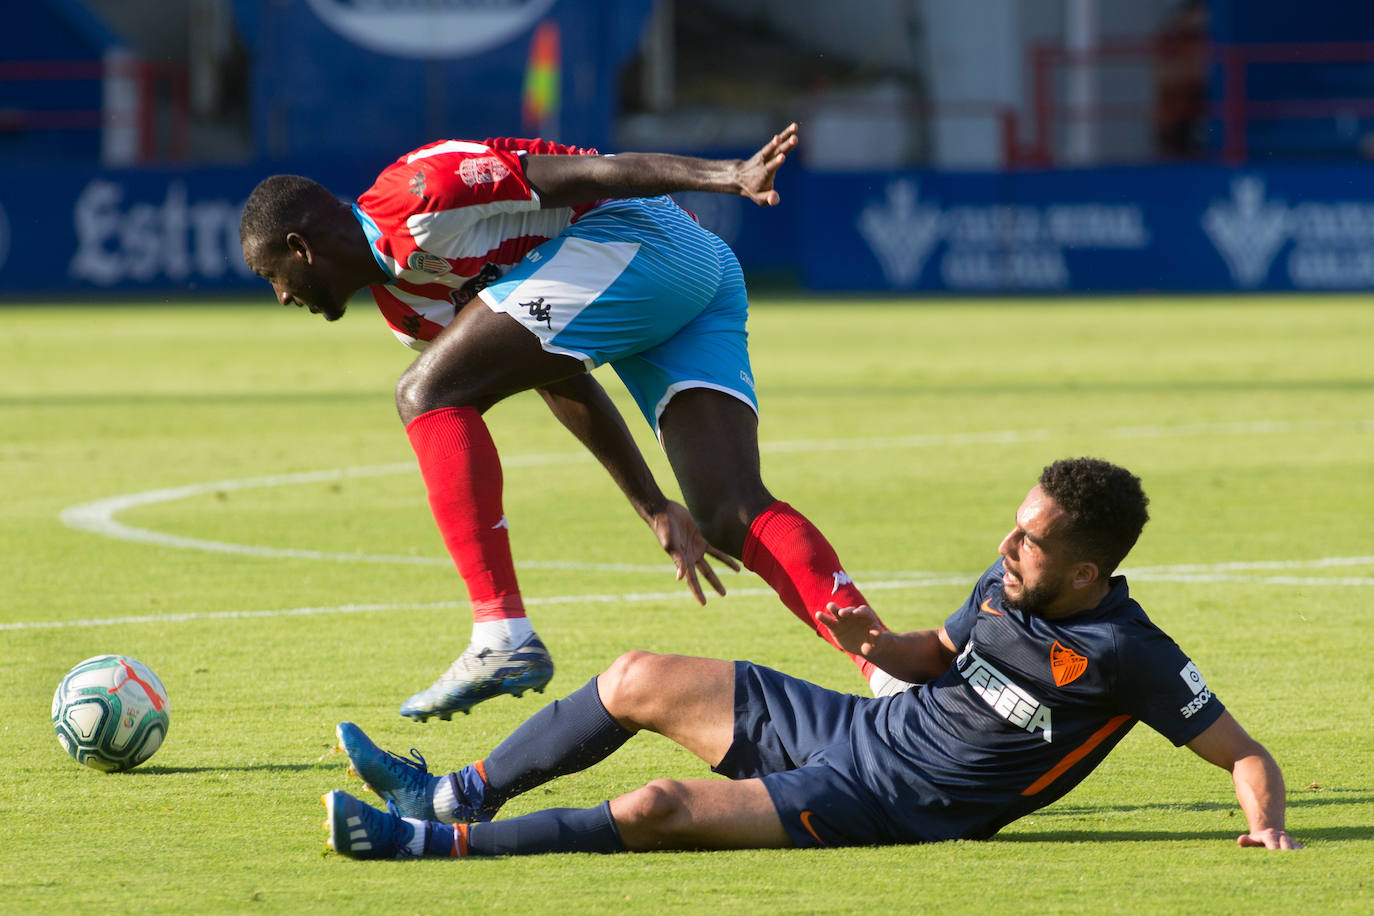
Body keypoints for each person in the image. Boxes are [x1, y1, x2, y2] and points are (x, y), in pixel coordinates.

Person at [239, 124, 906, 722]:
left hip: (643, 237)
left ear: (300, 249)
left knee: (426, 394)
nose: (282, 297)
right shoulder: (406, 314)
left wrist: (726, 175)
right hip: (688, 280)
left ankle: (500, 632)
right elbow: (554, 372)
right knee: (729, 510)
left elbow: (592, 172)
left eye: (274, 277)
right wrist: (651, 506)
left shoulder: (419, 191)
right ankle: (891, 671)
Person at [321, 457, 1301, 858]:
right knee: (635, 676)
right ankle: (450, 795)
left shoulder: (1129, 652)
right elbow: (937, 656)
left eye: (1031, 541)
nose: (1008, 547)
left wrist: (1265, 830)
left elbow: (1247, 755)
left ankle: (423, 849)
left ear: (1086, 568)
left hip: (899, 806)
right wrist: (880, 645)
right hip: (860, 728)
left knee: (657, 806)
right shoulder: (1006, 587)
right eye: (1013, 527)